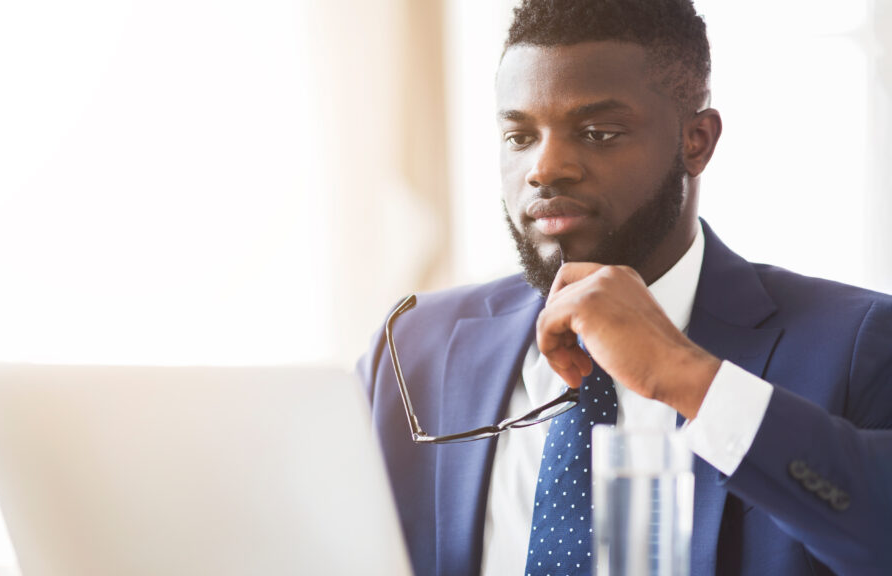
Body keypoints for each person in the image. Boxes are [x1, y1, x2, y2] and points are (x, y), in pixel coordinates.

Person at [356, 1, 892, 575]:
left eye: (598, 133)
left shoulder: (854, 345)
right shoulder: (412, 350)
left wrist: (689, 376)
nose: (545, 168)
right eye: (519, 136)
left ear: (696, 141)